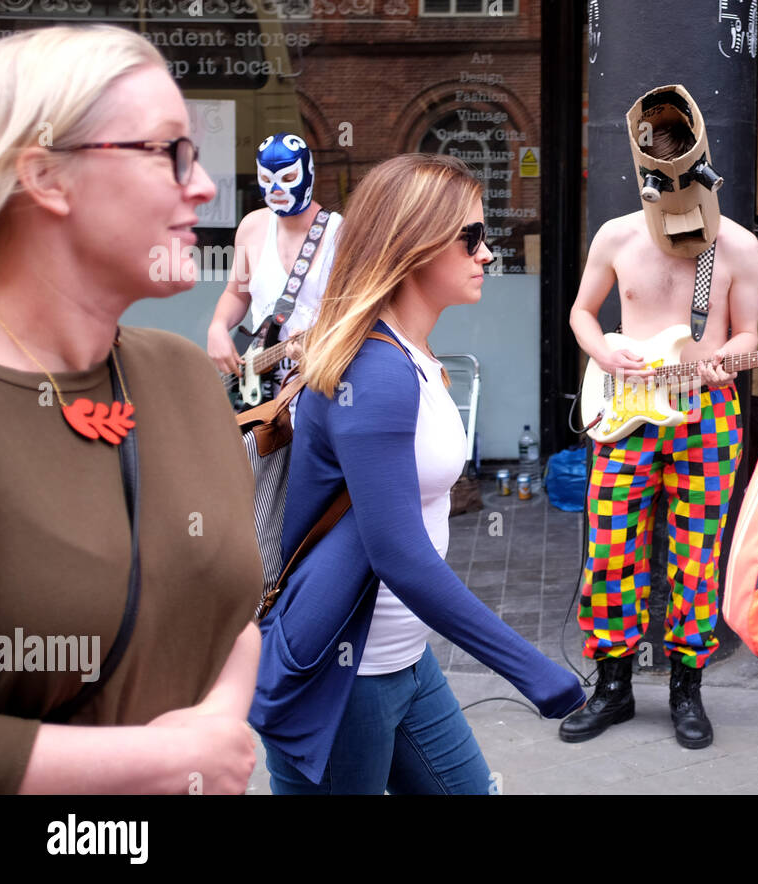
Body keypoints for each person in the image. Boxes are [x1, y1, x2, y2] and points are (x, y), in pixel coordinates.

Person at [250, 153, 586, 794]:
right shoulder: (373, 373)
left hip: (401, 657)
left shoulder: (412, 353)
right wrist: (536, 670)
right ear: (413, 246)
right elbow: (398, 557)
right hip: (343, 679)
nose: (488, 253)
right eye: (471, 238)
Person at [0, 25, 262, 794]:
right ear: (45, 175)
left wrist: (218, 719)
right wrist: (158, 763)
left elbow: (231, 609)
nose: (206, 185)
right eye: (169, 151)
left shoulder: (181, 377)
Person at [563, 84, 758, 749]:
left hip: (706, 414)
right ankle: (613, 686)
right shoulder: (617, 236)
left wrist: (724, 359)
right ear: (647, 185)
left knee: (697, 556)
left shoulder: (736, 247)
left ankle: (687, 689)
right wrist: (605, 353)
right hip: (628, 410)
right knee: (610, 549)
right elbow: (581, 314)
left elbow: (746, 333)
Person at [206, 132, 342, 402]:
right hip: (262, 393)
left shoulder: (341, 234)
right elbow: (236, 293)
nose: (277, 190)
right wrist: (218, 327)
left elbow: (359, 311)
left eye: (289, 178)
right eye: (267, 180)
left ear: (308, 172)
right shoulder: (252, 227)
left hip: (323, 386)